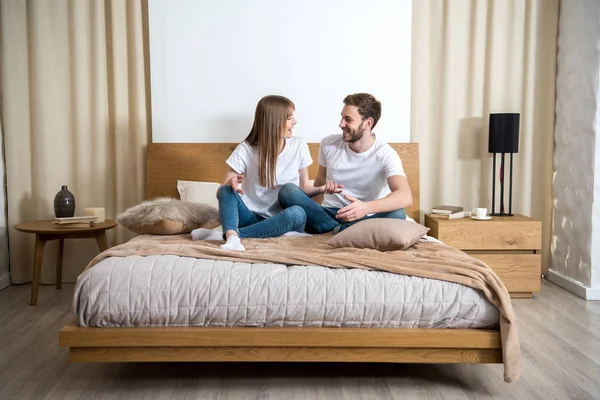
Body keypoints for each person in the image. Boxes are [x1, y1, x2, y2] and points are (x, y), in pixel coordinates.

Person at [192, 95, 330, 251]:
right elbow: (220, 192)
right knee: (225, 189)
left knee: (297, 213)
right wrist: (232, 184)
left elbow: (304, 188)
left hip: (282, 219)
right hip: (251, 217)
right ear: (274, 122)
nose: (295, 122)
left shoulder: (299, 145)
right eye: (289, 118)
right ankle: (233, 236)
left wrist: (321, 189)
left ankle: (229, 235)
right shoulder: (246, 149)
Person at [278, 93, 413, 234]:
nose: (341, 124)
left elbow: (405, 196)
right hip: (329, 214)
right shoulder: (328, 144)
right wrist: (313, 212)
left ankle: (337, 230)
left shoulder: (385, 154)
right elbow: (320, 181)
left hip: (364, 217)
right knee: (288, 191)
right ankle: (338, 230)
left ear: (368, 123)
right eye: (342, 117)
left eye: (348, 119)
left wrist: (366, 208)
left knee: (398, 214)